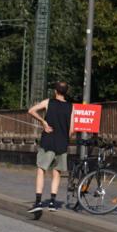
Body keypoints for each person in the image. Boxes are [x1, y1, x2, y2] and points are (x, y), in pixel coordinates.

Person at [27, 81, 74, 212]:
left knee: (41, 170)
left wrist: (43, 122)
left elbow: (31, 111)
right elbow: (72, 130)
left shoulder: (49, 102)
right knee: (57, 172)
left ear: (55, 91)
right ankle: (53, 203)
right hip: (62, 142)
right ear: (66, 92)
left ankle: (38, 202)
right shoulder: (71, 107)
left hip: (48, 141)